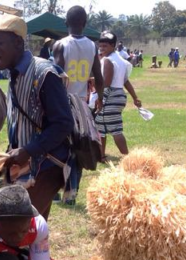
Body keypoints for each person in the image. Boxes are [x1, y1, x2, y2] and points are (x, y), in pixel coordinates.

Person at [0, 14, 73, 219]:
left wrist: (28, 150)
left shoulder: (44, 74)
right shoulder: (13, 73)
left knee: (21, 225)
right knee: (35, 228)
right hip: (28, 164)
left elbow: (63, 123)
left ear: (17, 42)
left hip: (47, 165)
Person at [52, 5, 104, 204]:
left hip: (63, 103)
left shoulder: (61, 45)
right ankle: (72, 192)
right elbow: (98, 76)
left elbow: (57, 76)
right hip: (82, 104)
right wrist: (99, 98)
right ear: (85, 24)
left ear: (66, 22)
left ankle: (58, 190)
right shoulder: (92, 46)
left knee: (59, 146)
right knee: (79, 146)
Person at [95, 31, 142, 160]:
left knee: (114, 128)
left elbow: (106, 83)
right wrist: (135, 97)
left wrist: (92, 81)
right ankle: (101, 155)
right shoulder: (120, 60)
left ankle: (127, 158)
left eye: (105, 46)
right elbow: (125, 81)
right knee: (101, 126)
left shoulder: (108, 60)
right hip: (119, 95)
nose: (102, 49)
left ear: (113, 46)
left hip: (110, 95)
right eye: (100, 46)